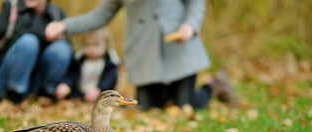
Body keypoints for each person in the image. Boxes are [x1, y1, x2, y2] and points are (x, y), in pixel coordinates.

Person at [46, 0, 236, 110]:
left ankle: (215, 85)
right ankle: (167, 93)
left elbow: (195, 3)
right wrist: (65, 26)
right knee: (148, 107)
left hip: (179, 48)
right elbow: (99, 16)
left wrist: (190, 25)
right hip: (145, 54)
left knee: (185, 105)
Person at [0, 0, 72, 104]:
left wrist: (66, 83)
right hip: (4, 82)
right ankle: (13, 97)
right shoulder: (12, 10)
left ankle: (46, 94)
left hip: (35, 83)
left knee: (62, 47)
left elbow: (70, 59)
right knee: (29, 42)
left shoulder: (58, 15)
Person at [55, 27, 120, 102]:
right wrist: (66, 84)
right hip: (79, 94)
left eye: (96, 45)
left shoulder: (109, 63)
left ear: (106, 46)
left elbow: (110, 79)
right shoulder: (79, 60)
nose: (91, 49)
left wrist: (100, 90)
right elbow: (72, 75)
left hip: (100, 96)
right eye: (87, 45)